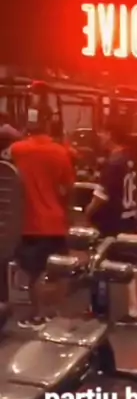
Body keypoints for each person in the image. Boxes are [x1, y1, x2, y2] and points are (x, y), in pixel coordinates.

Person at [6, 108, 75, 329]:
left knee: (35, 272)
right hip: (55, 220)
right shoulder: (61, 152)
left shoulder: (18, 149)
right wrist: (66, 213)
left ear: (28, 126)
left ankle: (38, 315)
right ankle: (54, 313)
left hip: (30, 222)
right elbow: (68, 187)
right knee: (60, 270)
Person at [85, 118, 137, 327]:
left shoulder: (114, 162)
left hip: (113, 220)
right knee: (127, 263)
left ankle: (99, 309)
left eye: (103, 133)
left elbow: (101, 196)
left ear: (110, 134)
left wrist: (88, 212)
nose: (100, 137)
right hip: (128, 216)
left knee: (99, 261)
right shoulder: (129, 159)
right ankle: (134, 310)